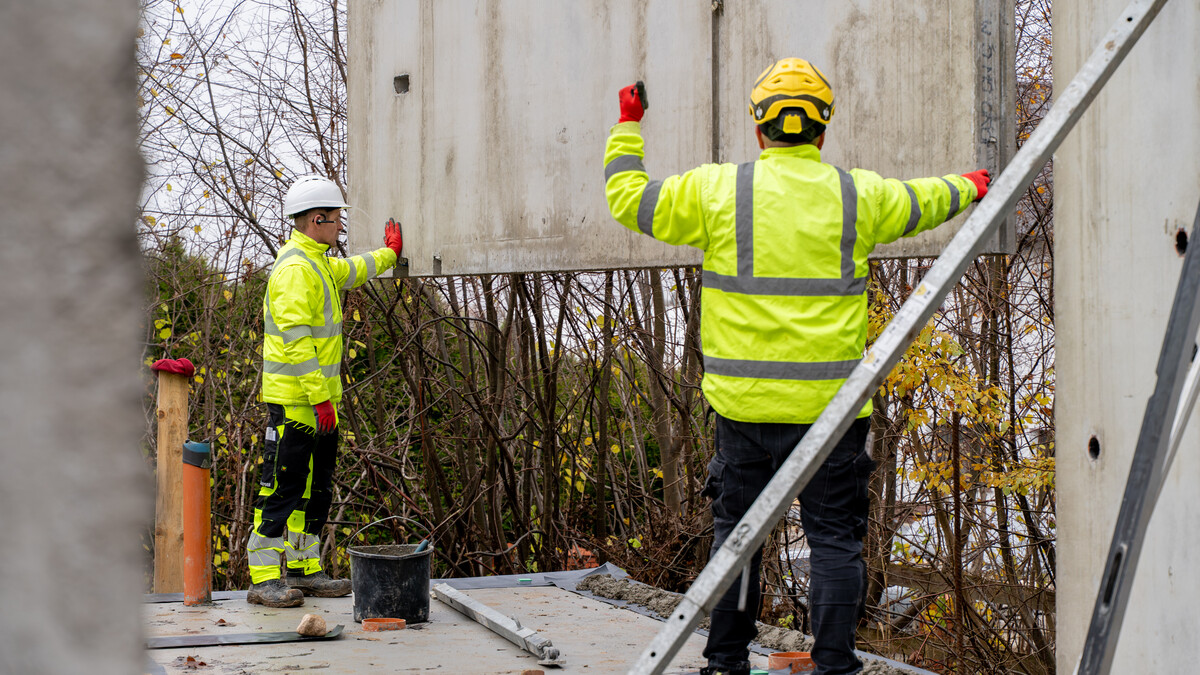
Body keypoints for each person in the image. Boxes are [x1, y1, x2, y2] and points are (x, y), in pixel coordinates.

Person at [604, 58, 990, 675]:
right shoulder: (858, 195)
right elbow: (926, 199)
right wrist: (973, 183)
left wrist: (628, 124)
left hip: (744, 410)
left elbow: (628, 199)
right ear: (822, 130)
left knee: (738, 540)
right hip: (831, 414)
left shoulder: (717, 192)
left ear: (760, 129)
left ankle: (725, 662)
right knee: (834, 540)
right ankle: (835, 666)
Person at [246, 175, 404, 607]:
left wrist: (390, 254)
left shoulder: (317, 263)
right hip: (297, 403)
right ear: (317, 219)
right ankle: (263, 578)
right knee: (282, 489)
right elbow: (296, 343)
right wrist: (318, 397)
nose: (340, 226)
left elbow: (353, 269)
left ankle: (303, 569)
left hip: (318, 404)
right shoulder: (296, 270)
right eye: (336, 218)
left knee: (315, 490)